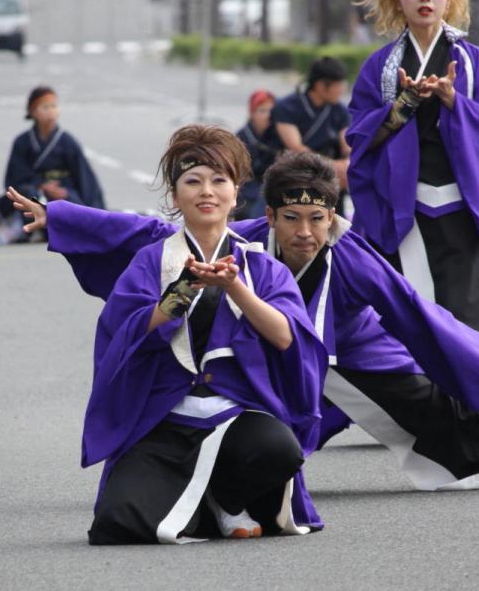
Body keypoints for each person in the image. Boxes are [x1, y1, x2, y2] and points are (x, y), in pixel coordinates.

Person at [14, 151, 479, 491]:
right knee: (248, 443)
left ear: (332, 216)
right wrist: (64, 218)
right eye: (291, 219)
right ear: (269, 215)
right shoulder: (246, 239)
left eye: (317, 219)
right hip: (280, 368)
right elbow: (153, 233)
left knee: (458, 421)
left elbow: (414, 313)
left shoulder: (347, 250)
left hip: (355, 362)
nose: (305, 232)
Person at [32, 125, 328, 544]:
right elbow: (122, 334)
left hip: (236, 415)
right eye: (193, 181)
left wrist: (234, 287)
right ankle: (201, 505)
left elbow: (287, 337)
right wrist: (177, 296)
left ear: (235, 194)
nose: (206, 191)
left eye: (218, 181)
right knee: (118, 521)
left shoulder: (262, 267)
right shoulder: (151, 261)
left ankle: (225, 497)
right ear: (176, 197)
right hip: (166, 419)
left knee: (278, 450)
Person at [347, 0, 479, 416]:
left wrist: (453, 102)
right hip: (401, 211)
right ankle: (425, 418)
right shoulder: (382, 66)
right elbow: (360, 137)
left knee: (465, 320)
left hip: (461, 209)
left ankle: (476, 420)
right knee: (411, 316)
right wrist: (401, 107)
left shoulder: (474, 64)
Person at [0, 85, 105, 245]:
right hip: (34, 191)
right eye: (45, 107)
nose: (51, 111)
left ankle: (58, 230)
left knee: (70, 204)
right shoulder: (22, 142)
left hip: (63, 191)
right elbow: (15, 177)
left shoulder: (67, 141)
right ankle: (29, 230)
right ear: (33, 111)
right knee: (29, 197)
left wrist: (96, 212)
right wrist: (41, 186)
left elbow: (84, 177)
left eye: (54, 106)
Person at [272, 57, 352, 207]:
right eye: (339, 85)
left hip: (330, 177)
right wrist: (331, 166)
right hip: (293, 171)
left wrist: (348, 162)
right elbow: (295, 147)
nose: (342, 90)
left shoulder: (340, 110)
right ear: (321, 85)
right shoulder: (287, 107)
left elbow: (348, 143)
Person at [235, 89, 281, 220]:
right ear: (252, 113)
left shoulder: (280, 137)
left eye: (271, 111)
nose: (267, 115)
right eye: (262, 111)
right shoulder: (241, 138)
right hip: (248, 189)